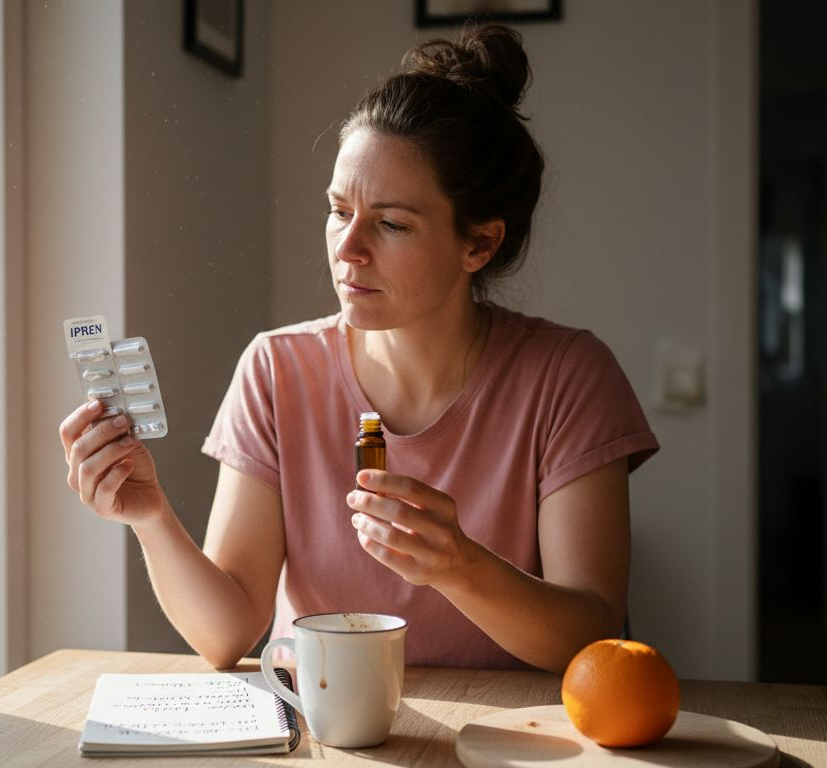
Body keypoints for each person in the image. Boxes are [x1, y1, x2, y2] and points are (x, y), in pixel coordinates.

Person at [59, 23, 658, 673]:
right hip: (324, 736)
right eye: (338, 210)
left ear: (478, 244)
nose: (347, 248)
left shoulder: (570, 378)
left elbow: (593, 636)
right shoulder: (276, 370)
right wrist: (150, 517)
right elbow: (227, 634)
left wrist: (459, 567)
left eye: (391, 223)